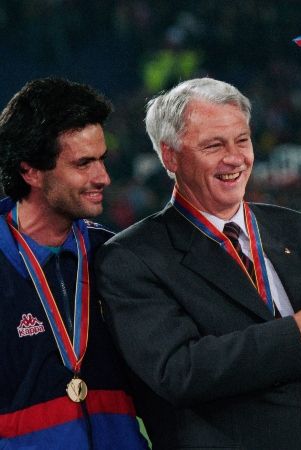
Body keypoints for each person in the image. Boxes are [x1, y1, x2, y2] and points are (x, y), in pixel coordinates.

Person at [95, 77, 301, 449]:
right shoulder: (132, 257)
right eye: (214, 145)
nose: (235, 158)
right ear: (170, 156)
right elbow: (180, 372)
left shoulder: (294, 230)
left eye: (242, 140)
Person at [0, 78, 147, 448]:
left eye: (101, 159)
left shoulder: (113, 257)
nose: (103, 178)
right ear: (30, 170)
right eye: (83, 164)